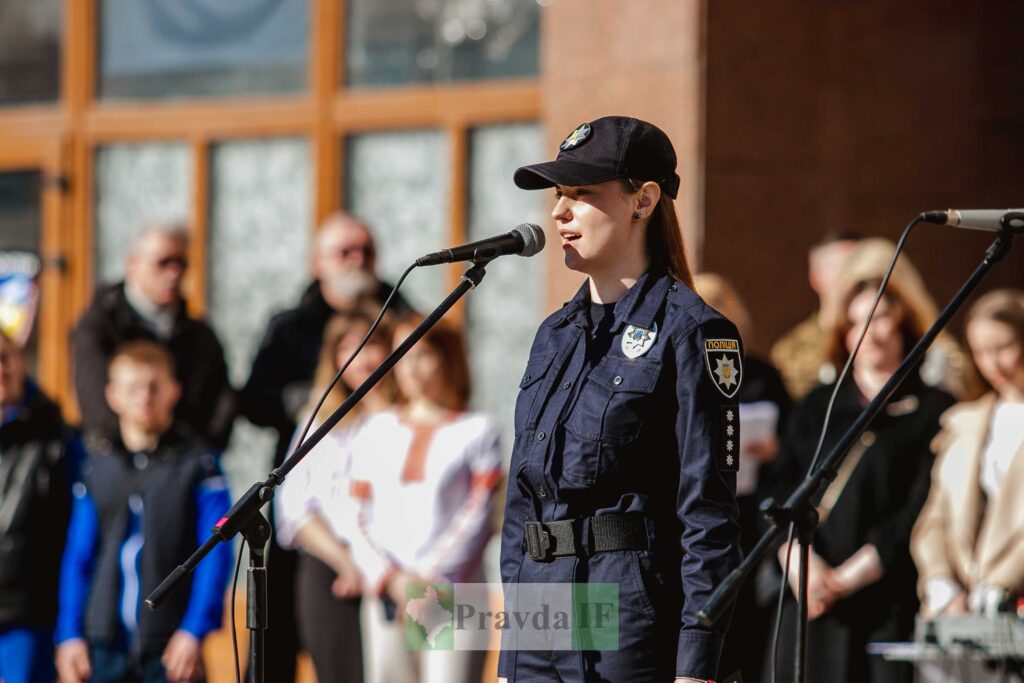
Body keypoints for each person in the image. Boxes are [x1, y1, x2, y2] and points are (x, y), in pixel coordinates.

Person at [498, 116, 743, 683]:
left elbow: (708, 514)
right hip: (541, 608)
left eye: (583, 194)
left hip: (627, 607)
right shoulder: (554, 334)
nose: (559, 212)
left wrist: (696, 661)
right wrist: (514, 649)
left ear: (644, 200)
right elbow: (523, 503)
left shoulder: (694, 331)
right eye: (560, 195)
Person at [768, 243, 957, 683]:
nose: (870, 333)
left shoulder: (933, 408)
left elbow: (920, 507)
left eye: (881, 318)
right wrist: (801, 566)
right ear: (843, 332)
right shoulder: (818, 405)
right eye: (856, 322)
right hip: (808, 601)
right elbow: (778, 489)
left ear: (906, 324)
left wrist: (846, 580)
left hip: (883, 604)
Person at [239, 212, 412, 683]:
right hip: (315, 520)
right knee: (285, 646)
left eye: (367, 251)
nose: (358, 261)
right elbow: (253, 400)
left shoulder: (404, 314)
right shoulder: (291, 325)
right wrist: (312, 402)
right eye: (344, 251)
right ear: (319, 263)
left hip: (402, 551)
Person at [55, 341, 233, 683]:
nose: (144, 396)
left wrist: (195, 629)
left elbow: (215, 552)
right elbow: (79, 556)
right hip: (102, 643)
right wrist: (69, 634)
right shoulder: (97, 467)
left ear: (173, 391)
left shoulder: (198, 465)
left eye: (154, 386)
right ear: (113, 395)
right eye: (133, 387)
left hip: (170, 646)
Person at [345, 315, 502, 683]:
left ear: (448, 359)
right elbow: (355, 514)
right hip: (387, 594)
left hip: (453, 594)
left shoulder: (477, 430)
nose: (412, 366)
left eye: (425, 354)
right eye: (404, 355)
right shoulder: (374, 429)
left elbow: (479, 514)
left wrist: (429, 580)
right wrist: (392, 579)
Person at [275, 310, 400, 683]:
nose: (362, 358)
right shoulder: (319, 420)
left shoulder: (406, 417)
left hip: (403, 571)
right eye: (349, 347)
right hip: (332, 572)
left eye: (371, 345)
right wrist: (347, 562)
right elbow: (294, 507)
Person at [694, 273, 791, 683]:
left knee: (749, 622)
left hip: (750, 513)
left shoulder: (762, 374)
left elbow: (797, 438)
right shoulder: (682, 372)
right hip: (698, 510)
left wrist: (775, 449)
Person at [912, 290, 1024, 617]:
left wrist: (1002, 581)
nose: (992, 363)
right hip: (959, 612)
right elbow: (935, 517)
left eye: (1003, 348)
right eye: (980, 352)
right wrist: (941, 582)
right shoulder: (963, 422)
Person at [72, 225, 234, 450]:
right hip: (117, 459)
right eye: (163, 262)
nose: (173, 273)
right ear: (133, 265)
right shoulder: (100, 326)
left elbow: (221, 405)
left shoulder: (200, 335)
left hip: (185, 464)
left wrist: (190, 454)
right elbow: (95, 405)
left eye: (181, 263)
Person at [0, 332, 84, 683]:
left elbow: (78, 541)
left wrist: (70, 627)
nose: (0, 370)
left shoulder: (56, 439)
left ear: (22, 361)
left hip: (26, 616)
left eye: (5, 357)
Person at [771, 232, 861, 400]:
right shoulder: (791, 351)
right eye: (843, 268)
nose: (854, 278)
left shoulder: (884, 340)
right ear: (816, 278)